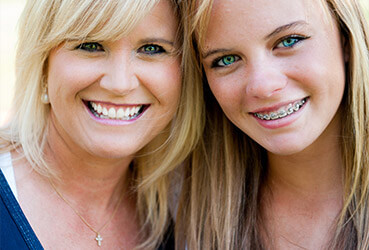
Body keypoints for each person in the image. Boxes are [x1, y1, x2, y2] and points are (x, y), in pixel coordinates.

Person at [0, 0, 203, 249]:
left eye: (151, 48)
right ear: (43, 67)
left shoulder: (187, 212)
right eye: (90, 45)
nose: (120, 84)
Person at [177, 0, 369, 249]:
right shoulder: (176, 210)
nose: (263, 87)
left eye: (289, 41)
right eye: (226, 60)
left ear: (345, 36)